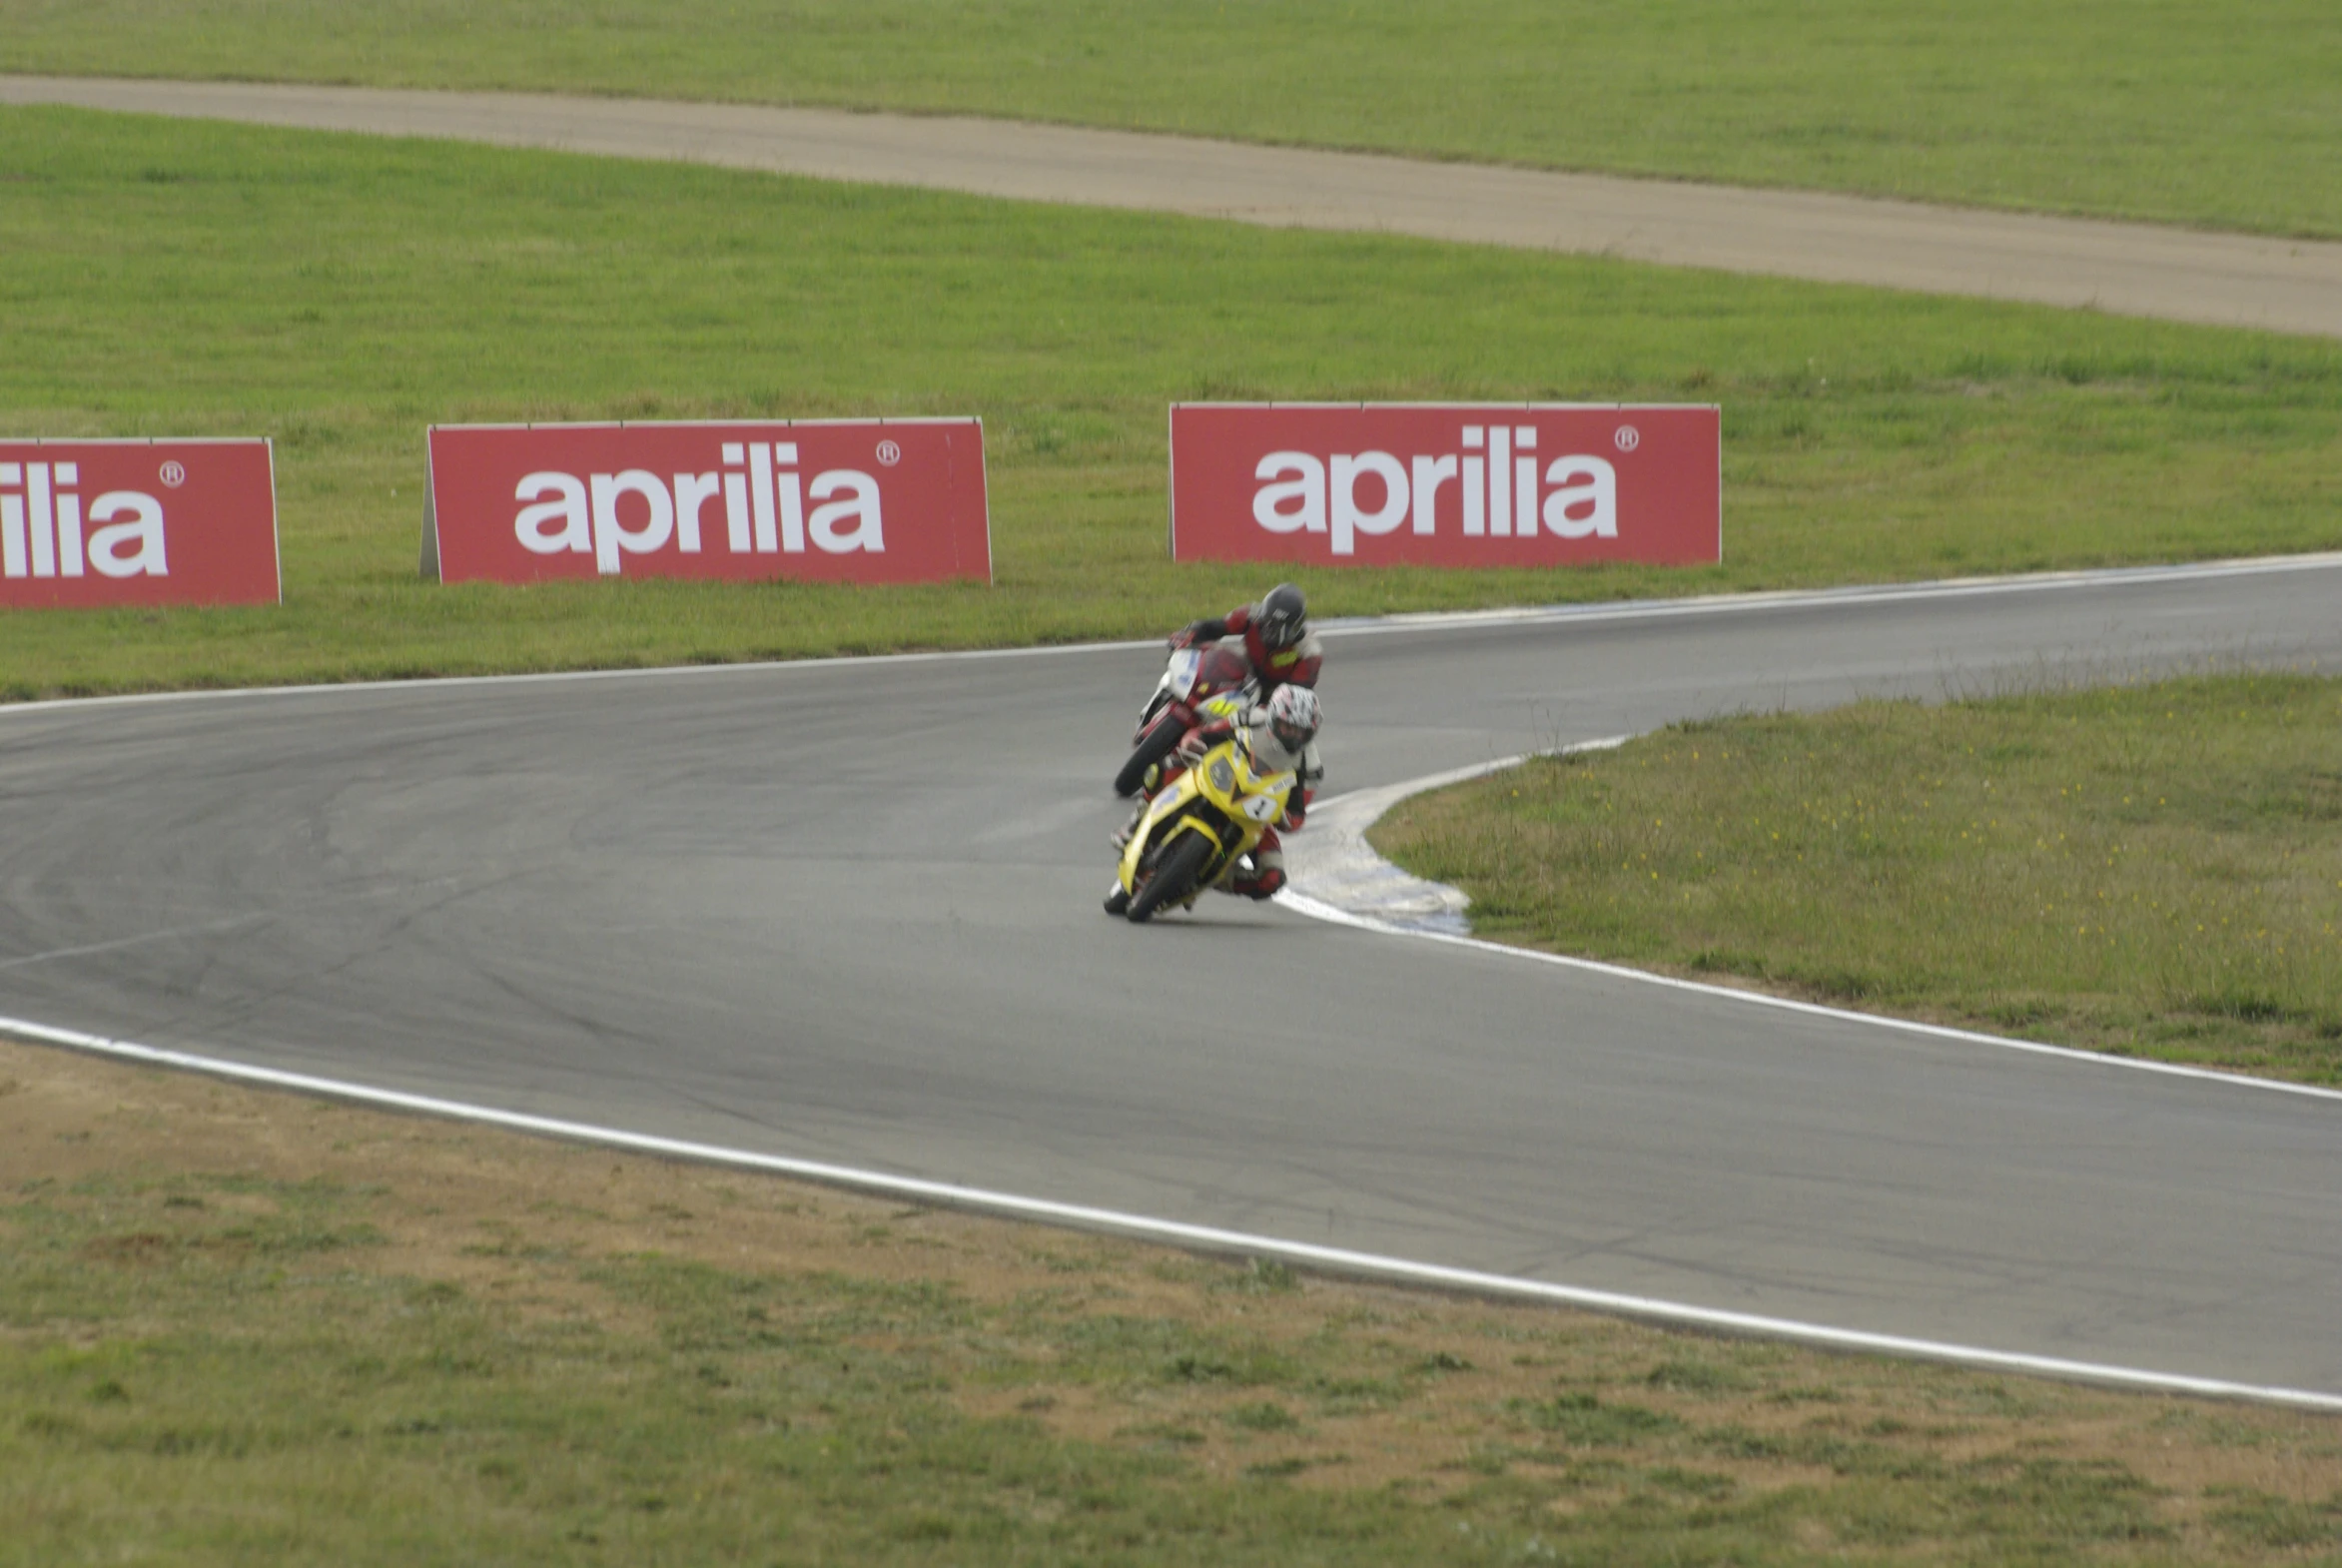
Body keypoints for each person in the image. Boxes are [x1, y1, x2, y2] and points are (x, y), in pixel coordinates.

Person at [1116, 682, 1324, 900]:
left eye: (1301, 732)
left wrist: (1285, 818)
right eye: (1287, 727)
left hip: (1254, 816)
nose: (1294, 736)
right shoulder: (1253, 719)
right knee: (1170, 766)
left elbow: (1298, 812)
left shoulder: (1310, 766)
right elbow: (1204, 733)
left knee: (1272, 879)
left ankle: (1215, 878)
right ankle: (1136, 819)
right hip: (1222, 779)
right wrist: (1191, 743)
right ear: (1273, 718)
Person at [1170, 582, 1322, 697]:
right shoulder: (1251, 615)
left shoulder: (1309, 653)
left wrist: (1265, 705)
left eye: (1274, 628)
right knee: (1205, 670)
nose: (1266, 630)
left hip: (1274, 697)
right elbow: (1216, 627)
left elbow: (1296, 695)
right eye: (1265, 622)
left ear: (1292, 630)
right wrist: (1187, 635)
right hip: (1244, 674)